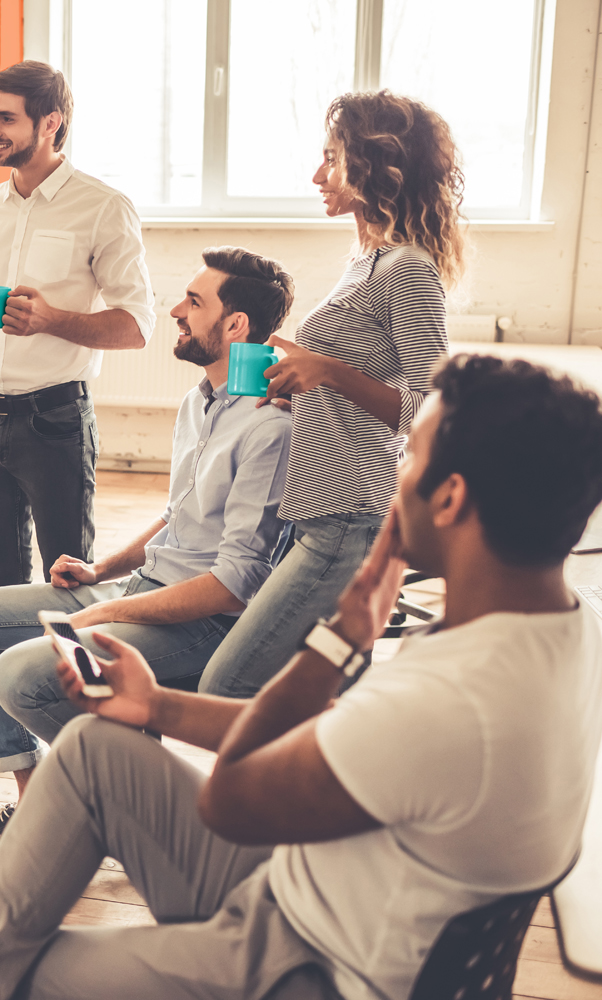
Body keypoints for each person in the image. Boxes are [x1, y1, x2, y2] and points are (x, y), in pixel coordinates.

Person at [0, 352, 602, 1000]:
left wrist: (342, 637)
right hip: (309, 892)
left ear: (450, 499)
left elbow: (232, 797)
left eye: (408, 458)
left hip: (304, 965)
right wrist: (158, 705)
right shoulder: (564, 631)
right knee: (97, 745)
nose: (394, 481)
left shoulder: (447, 698)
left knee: (11, 981)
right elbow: (326, 751)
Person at [0, 248, 295, 859]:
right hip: (139, 590)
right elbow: (178, 520)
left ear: (236, 327)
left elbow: (235, 584)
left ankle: (136, 806)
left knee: (18, 674)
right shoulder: (197, 403)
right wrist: (102, 573)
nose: (176, 311)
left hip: (200, 623)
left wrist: (108, 614)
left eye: (194, 303)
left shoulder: (268, 427)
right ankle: (42, 796)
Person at [0, 60, 155, 764]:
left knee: (65, 582)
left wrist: (52, 320)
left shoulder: (103, 207)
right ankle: (3, 726)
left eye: (7, 118)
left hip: (56, 420)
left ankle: (88, 734)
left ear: (52, 123)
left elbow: (135, 325)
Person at [198, 90, 462, 698]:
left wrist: (327, 374)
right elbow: (356, 380)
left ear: (373, 169)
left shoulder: (407, 269)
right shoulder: (364, 260)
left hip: (351, 516)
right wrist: (305, 387)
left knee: (228, 683)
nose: (318, 175)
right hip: (316, 510)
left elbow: (432, 412)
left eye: (332, 160)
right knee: (314, 699)